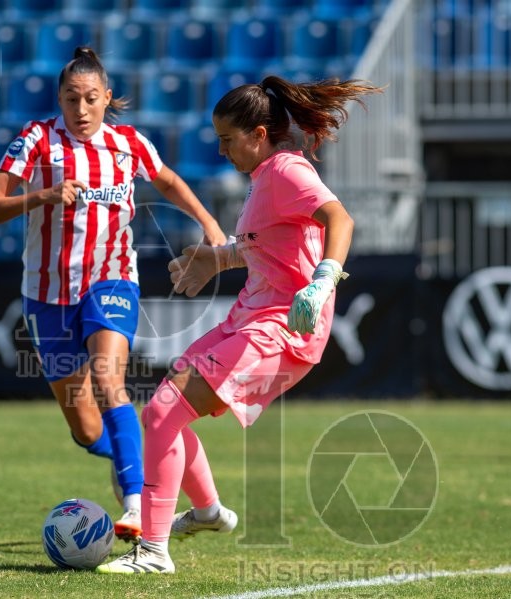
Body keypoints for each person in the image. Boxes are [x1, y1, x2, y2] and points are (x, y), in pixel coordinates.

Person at [96, 74, 383, 573]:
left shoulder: (288, 171)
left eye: (228, 139)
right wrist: (218, 260)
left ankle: (154, 553)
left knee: (164, 412)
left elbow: (341, 220)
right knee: (163, 413)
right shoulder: (262, 181)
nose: (223, 150)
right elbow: (265, 246)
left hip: (283, 329)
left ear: (257, 133)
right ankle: (207, 511)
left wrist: (322, 282)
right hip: (249, 318)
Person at [0, 47, 226, 541]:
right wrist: (41, 196)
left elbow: (169, 181)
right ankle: (134, 456)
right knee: (87, 429)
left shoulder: (128, 143)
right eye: (72, 99)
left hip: (111, 281)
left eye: (91, 98)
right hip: (46, 294)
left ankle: (136, 502)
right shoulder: (36, 140)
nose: (82, 109)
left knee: (111, 379)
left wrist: (209, 221)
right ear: (59, 101)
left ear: (107, 98)